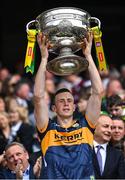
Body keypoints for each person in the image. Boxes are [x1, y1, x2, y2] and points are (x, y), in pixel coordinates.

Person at [34, 31, 103, 179]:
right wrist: (45, 58)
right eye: (61, 101)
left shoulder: (86, 126)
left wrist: (88, 56)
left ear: (74, 107)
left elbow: (98, 92)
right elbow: (39, 97)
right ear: (54, 108)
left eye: (69, 100)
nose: (66, 103)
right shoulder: (47, 129)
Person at [93, 114, 125, 179]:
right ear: (94, 126)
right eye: (106, 126)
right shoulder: (81, 148)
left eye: (111, 128)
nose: (110, 131)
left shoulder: (118, 155)